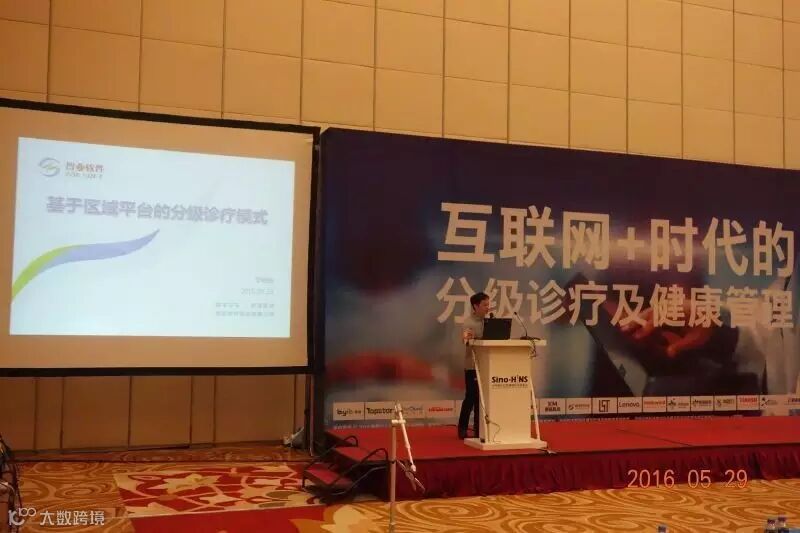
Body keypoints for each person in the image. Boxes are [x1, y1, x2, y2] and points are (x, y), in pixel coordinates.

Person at [458, 292, 490, 439]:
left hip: (486, 366)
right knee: (471, 397)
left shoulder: (488, 321)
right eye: (484, 305)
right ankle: (462, 428)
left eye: (488, 304)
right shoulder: (468, 323)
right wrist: (476, 339)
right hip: (472, 365)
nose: (487, 307)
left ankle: (479, 430)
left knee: (481, 399)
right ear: (475, 306)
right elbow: (466, 341)